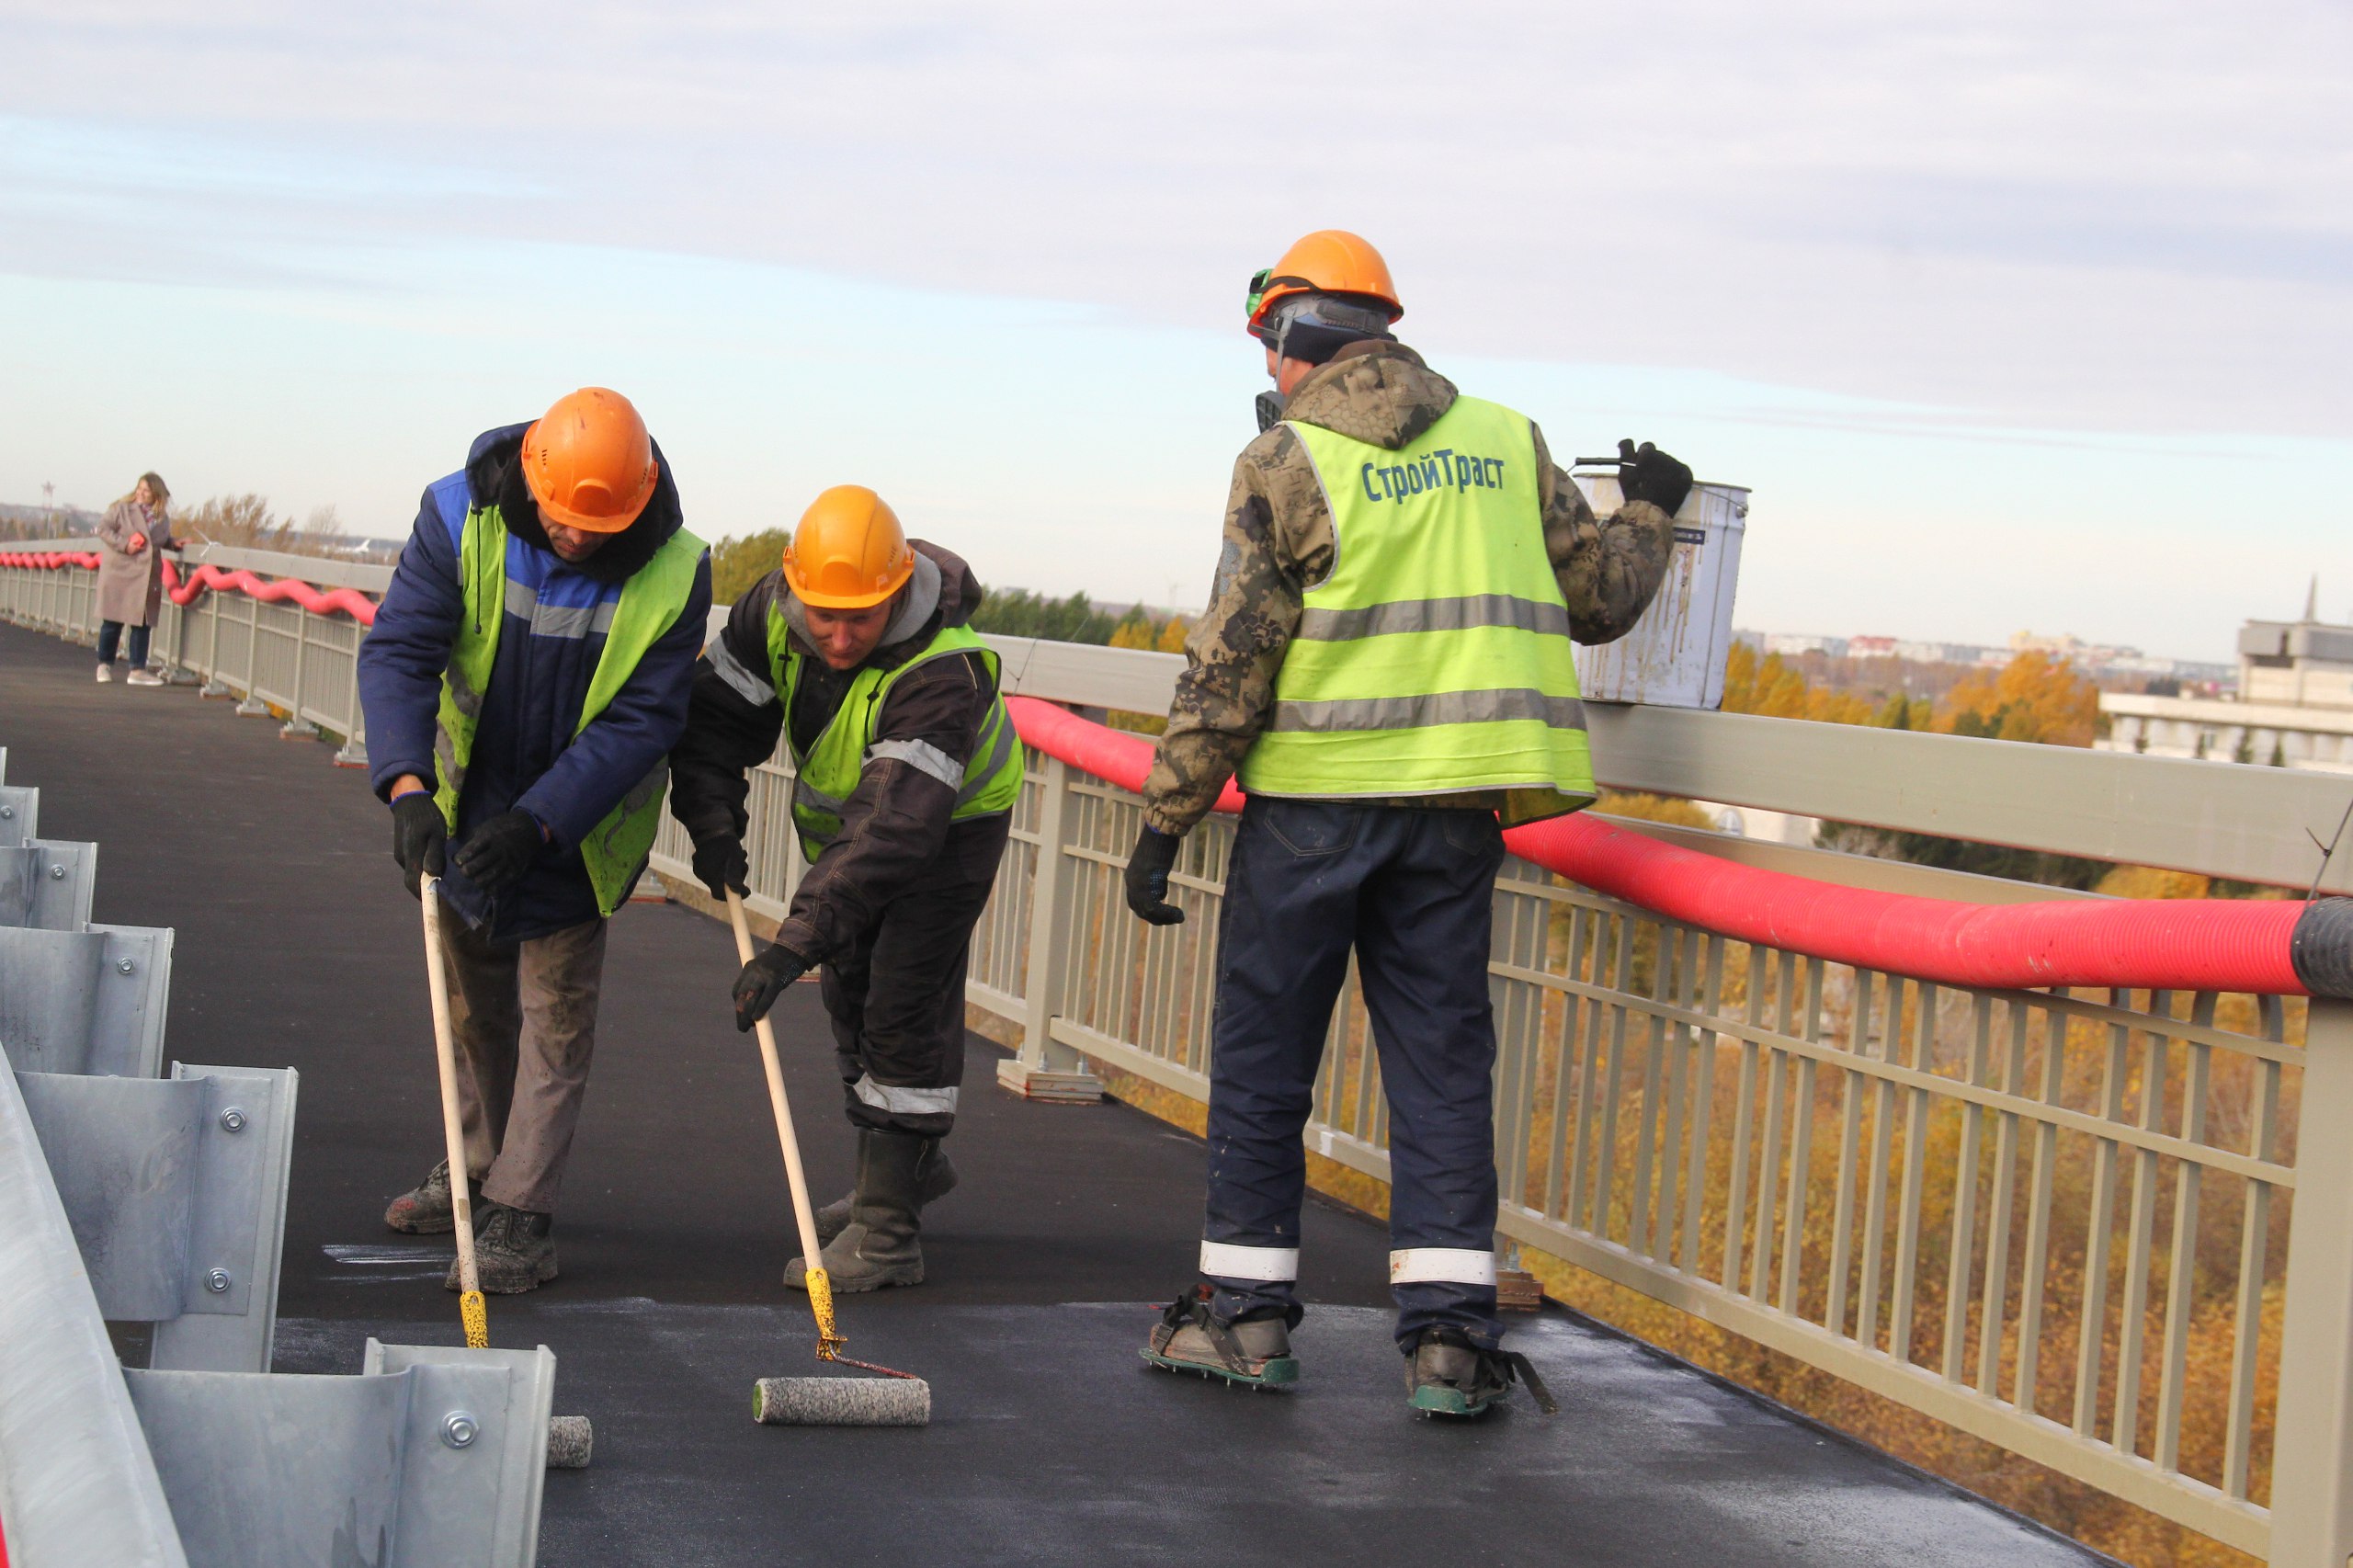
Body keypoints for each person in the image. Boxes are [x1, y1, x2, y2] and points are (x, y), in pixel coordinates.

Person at [1127, 231, 1692, 1416]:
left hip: (1310, 816)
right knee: (1439, 1070)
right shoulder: (1504, 439)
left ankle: (1245, 1321)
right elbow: (1600, 599)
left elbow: (1231, 660)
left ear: (1289, 336)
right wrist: (1649, 506)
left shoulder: (1280, 457)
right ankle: (1447, 1343)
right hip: (1456, 813)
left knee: (1267, 1061)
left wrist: (1165, 820)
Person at [357, 387, 710, 1294]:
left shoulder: (674, 569)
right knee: (470, 1003)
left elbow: (640, 720)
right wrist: (405, 786)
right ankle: (478, 1165)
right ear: (530, 480)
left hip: (576, 824)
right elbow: (401, 648)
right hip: (466, 797)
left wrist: (541, 820)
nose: (578, 538)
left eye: (601, 525)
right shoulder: (456, 515)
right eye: (562, 519)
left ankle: (523, 1211)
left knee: (555, 1011)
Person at [668, 484, 1023, 1293]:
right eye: (822, 615)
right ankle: (896, 1176)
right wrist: (714, 823)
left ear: (894, 593)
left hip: (947, 830)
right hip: (855, 832)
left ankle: (890, 1235)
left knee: (902, 1003)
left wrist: (788, 947)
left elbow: (895, 825)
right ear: (796, 588)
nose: (835, 636)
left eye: (858, 619)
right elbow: (717, 719)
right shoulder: (773, 612)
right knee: (851, 993)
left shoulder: (944, 671)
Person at [95, 472, 176, 686]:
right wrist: (124, 544)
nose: (140, 493)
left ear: (156, 494)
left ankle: (137, 670)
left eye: (146, 490)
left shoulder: (162, 518)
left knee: (142, 623)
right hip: (120, 571)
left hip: (145, 576)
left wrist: (174, 543)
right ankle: (104, 665)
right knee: (112, 621)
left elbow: (156, 541)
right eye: (139, 488)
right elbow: (102, 529)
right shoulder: (121, 509)